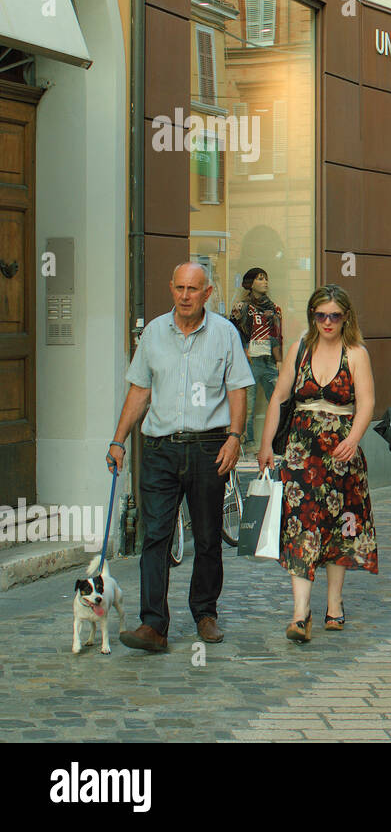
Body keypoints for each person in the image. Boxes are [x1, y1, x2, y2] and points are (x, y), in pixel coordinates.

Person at [107, 263, 253, 652]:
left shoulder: (225, 334)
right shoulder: (154, 332)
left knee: (207, 537)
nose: (186, 296)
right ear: (171, 289)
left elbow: (238, 390)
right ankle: (153, 625)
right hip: (160, 449)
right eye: (180, 288)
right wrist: (118, 439)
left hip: (209, 448)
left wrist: (235, 437)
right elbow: (140, 391)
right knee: (155, 536)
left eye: (194, 289)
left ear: (207, 294)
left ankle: (205, 613)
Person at [258, 284, 376, 643]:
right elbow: (280, 396)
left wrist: (353, 439)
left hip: (341, 451)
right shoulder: (299, 349)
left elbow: (367, 402)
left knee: (339, 525)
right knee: (300, 525)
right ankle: (300, 614)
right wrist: (266, 443)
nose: (327, 322)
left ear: (345, 318)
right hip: (301, 450)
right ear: (312, 316)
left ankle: (335, 605)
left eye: (334, 316)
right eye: (320, 315)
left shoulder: (355, 353)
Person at [229, 267, 283, 454]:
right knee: (248, 406)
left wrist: (279, 359)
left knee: (278, 402)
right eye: (260, 279)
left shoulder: (274, 308)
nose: (265, 282)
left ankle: (278, 442)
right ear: (251, 283)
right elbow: (234, 332)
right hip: (249, 361)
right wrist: (243, 351)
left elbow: (277, 335)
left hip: (269, 360)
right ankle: (248, 444)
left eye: (266, 279)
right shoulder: (241, 307)